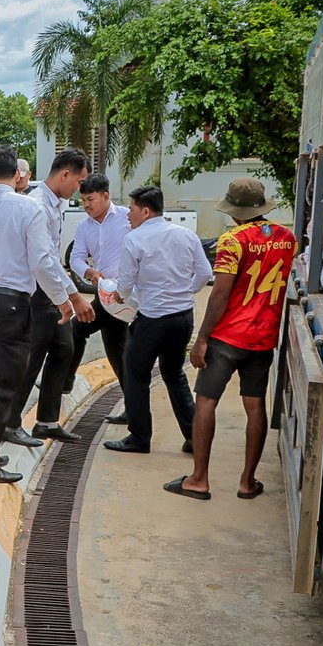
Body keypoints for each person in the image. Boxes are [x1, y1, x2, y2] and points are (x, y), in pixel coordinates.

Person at [0, 145, 89, 484]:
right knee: (2, 384)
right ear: (16, 175)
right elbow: (42, 261)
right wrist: (62, 298)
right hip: (11, 304)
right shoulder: (28, 209)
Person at [169, 178, 296, 499]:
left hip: (227, 337)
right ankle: (247, 482)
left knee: (206, 402)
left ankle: (198, 479)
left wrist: (201, 339)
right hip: (263, 338)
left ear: (235, 210)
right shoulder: (286, 238)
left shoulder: (232, 240)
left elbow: (220, 295)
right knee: (255, 406)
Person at [104, 186, 212, 455]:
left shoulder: (134, 239)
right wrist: (187, 291)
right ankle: (192, 435)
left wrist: (118, 295)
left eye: (131, 209)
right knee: (174, 373)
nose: (128, 214)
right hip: (183, 317)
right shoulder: (186, 235)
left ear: (145, 210)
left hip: (152, 319)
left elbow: (126, 284)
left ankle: (139, 437)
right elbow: (204, 272)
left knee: (136, 374)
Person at [4, 148, 95, 448]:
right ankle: (10, 423)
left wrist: (68, 294)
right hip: (37, 291)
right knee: (31, 361)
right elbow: (43, 261)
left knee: (63, 350)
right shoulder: (37, 205)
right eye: (79, 181)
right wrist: (72, 297)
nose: (80, 189)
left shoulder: (56, 203)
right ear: (65, 174)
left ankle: (46, 422)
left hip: (51, 289)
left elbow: (54, 257)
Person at [63, 173, 132, 422]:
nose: (87, 205)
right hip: (105, 295)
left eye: (90, 199)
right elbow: (76, 257)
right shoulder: (84, 227)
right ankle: (134, 411)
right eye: (83, 200)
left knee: (77, 328)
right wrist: (88, 270)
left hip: (125, 296)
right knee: (116, 350)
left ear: (105, 196)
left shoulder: (128, 218)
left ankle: (66, 379)